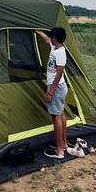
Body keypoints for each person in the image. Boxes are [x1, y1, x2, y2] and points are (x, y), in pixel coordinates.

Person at [35, 27, 69, 159]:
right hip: (59, 87)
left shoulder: (60, 52)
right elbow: (45, 39)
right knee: (60, 114)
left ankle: (59, 150)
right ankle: (64, 144)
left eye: (51, 37)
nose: (49, 38)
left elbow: (60, 73)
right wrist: (36, 30)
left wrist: (51, 92)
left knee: (56, 117)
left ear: (55, 37)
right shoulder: (54, 47)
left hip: (57, 87)